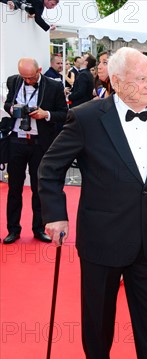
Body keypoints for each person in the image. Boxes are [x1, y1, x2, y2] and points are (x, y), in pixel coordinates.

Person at [38, 47, 147, 359]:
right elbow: (50, 167)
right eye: (142, 78)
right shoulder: (87, 117)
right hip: (102, 236)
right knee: (98, 312)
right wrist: (56, 214)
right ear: (116, 82)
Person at [2, 57, 67, 244]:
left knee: (39, 189)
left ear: (39, 71)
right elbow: (7, 103)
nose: (27, 81)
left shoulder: (53, 87)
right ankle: (13, 229)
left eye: (30, 77)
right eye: (24, 77)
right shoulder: (14, 81)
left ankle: (39, 228)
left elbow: (64, 114)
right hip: (16, 141)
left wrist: (44, 114)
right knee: (14, 188)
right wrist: (13, 108)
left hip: (39, 143)